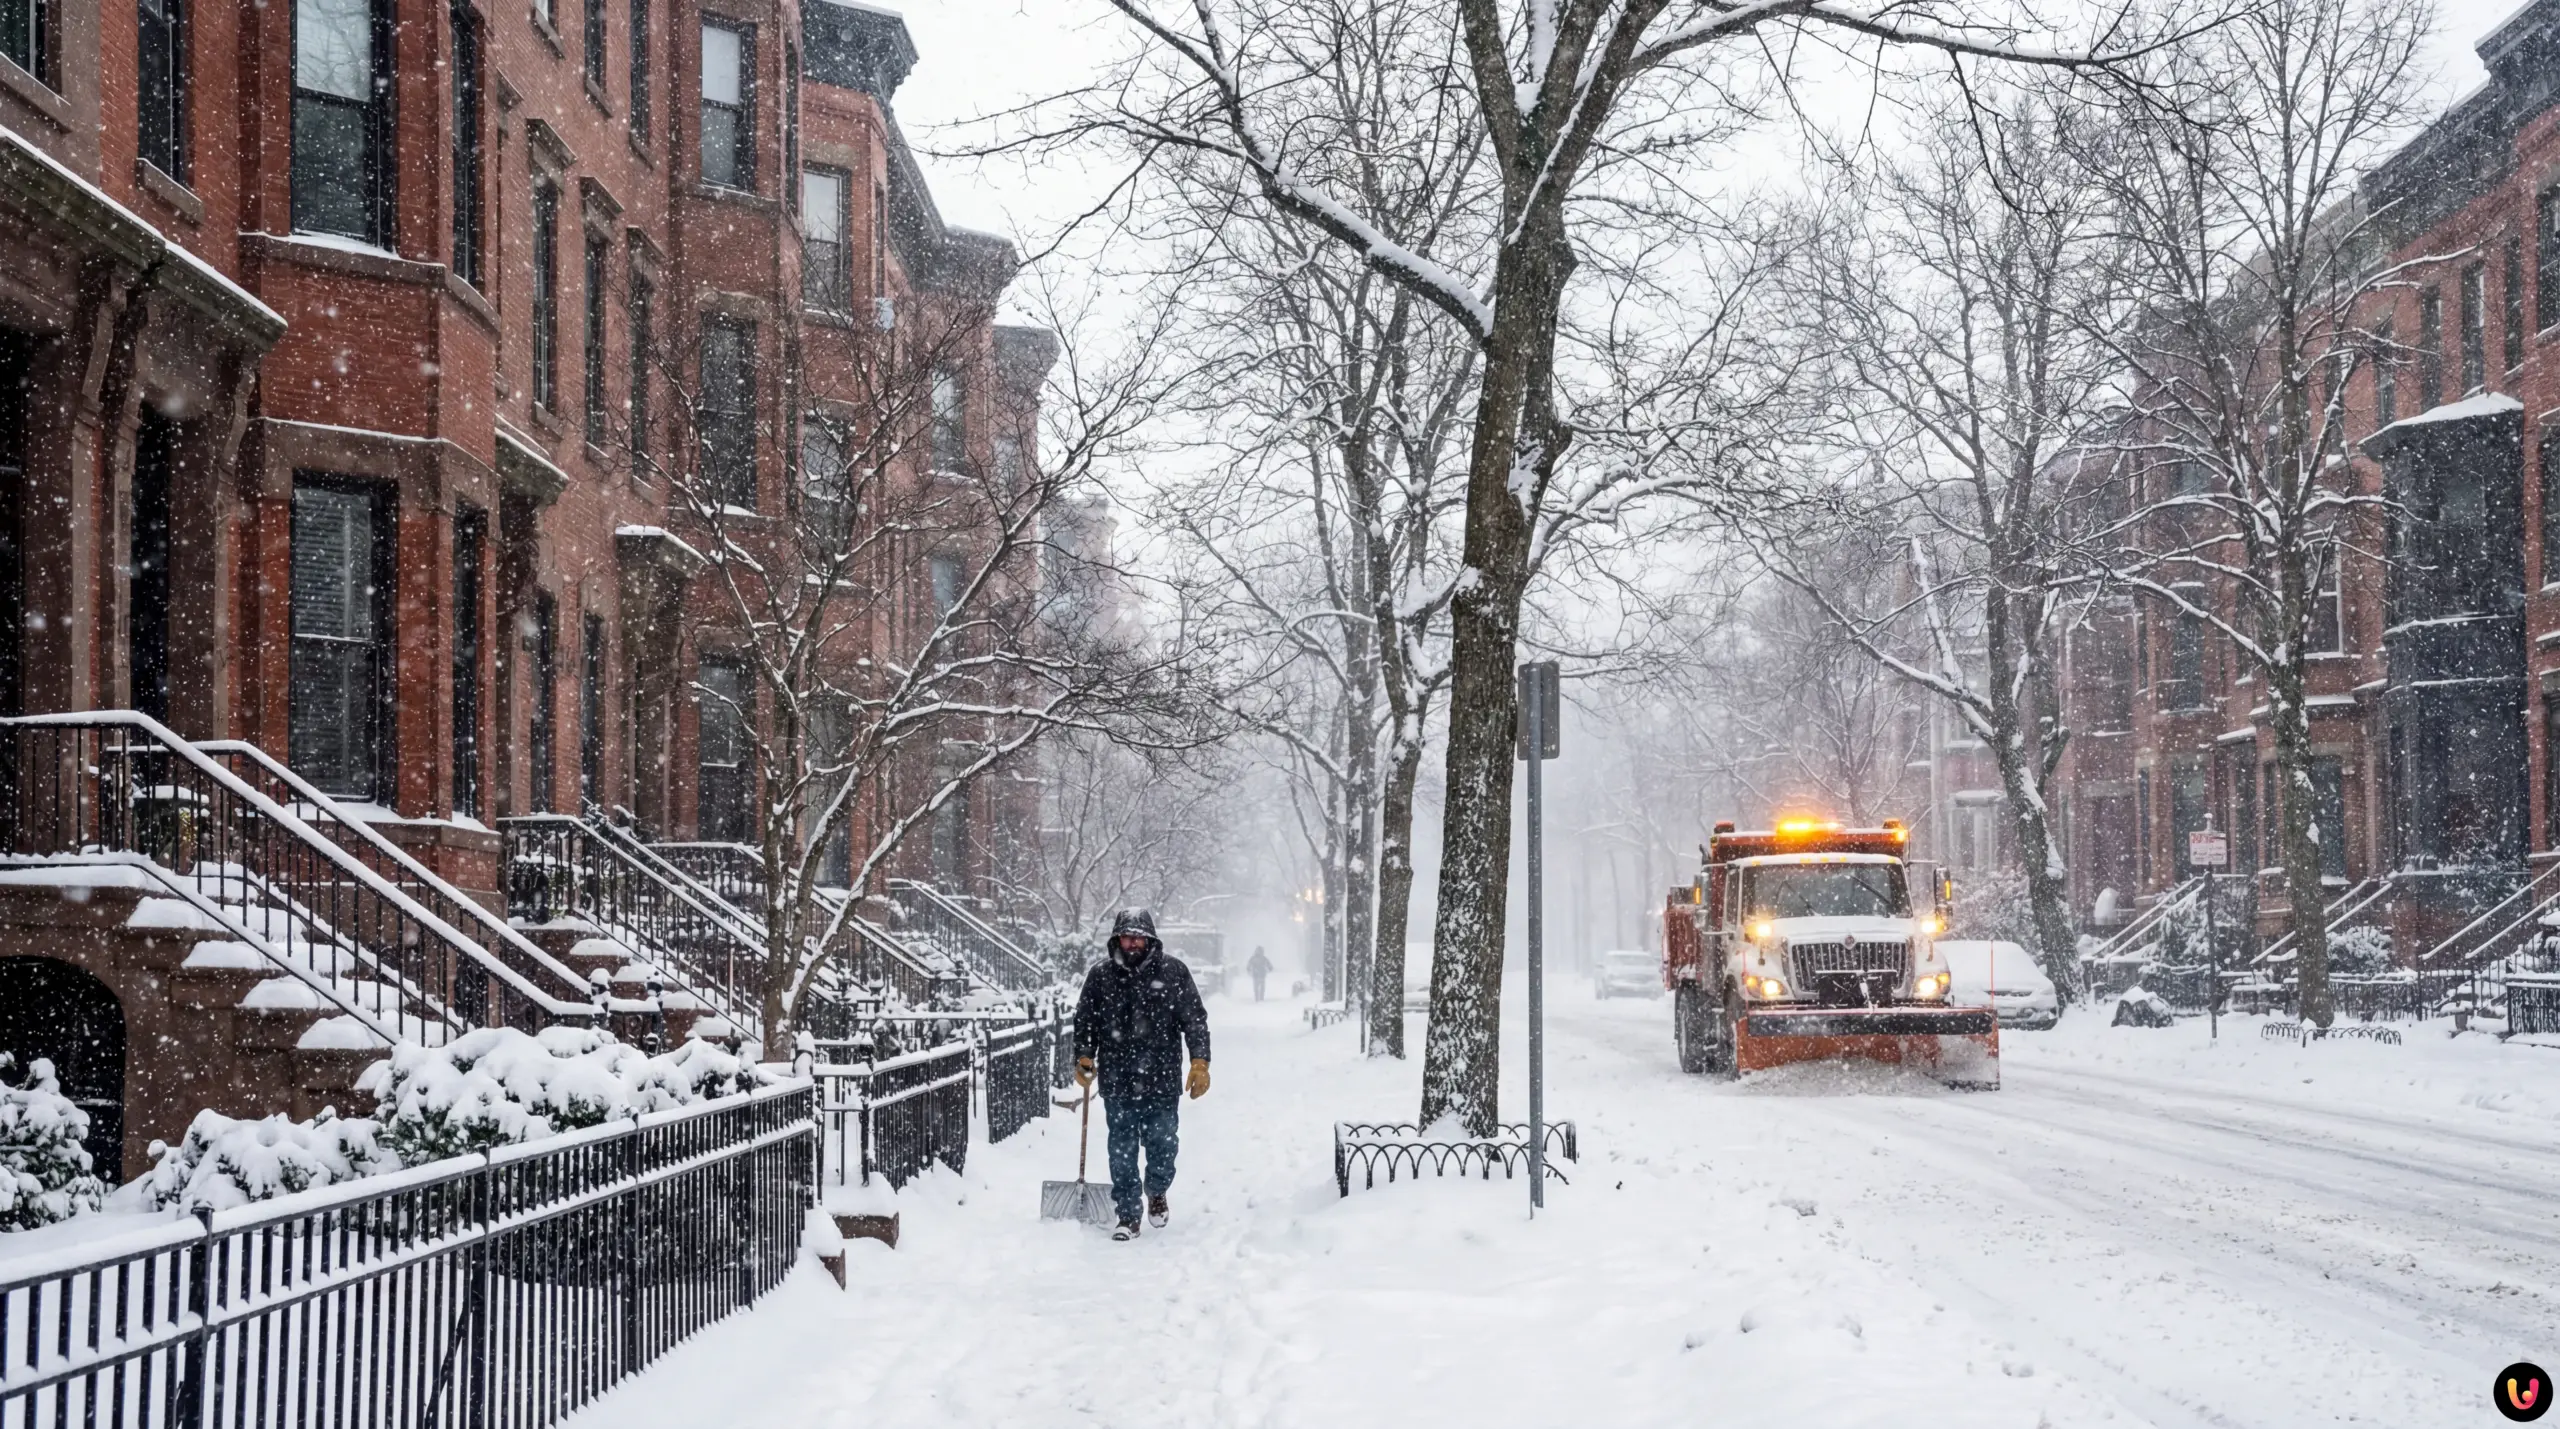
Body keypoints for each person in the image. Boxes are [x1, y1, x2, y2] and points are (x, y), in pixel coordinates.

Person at [1074, 908, 1211, 1241]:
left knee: (1163, 1145)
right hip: (1118, 1081)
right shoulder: (1101, 975)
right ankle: (1128, 1214)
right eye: (1127, 936)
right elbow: (1085, 1020)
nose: (1132, 943)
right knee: (1121, 1149)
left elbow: (1193, 1019)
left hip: (1161, 1080)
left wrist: (1199, 1061)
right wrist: (1083, 1054)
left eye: (1138, 937)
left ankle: (1157, 1189)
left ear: (1149, 939)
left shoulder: (1174, 973)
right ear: (1117, 939)